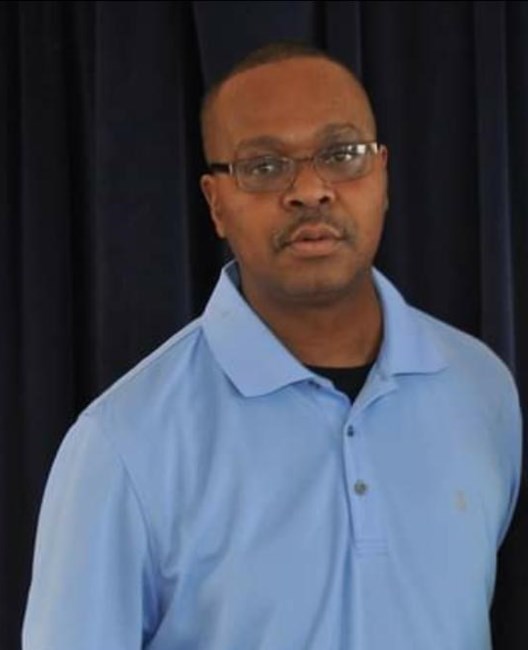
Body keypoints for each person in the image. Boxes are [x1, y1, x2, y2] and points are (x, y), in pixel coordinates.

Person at [23, 42, 522, 650]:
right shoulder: (123, 443)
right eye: (264, 166)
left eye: (341, 154)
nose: (310, 189)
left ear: (383, 173)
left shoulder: (481, 388)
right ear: (215, 203)